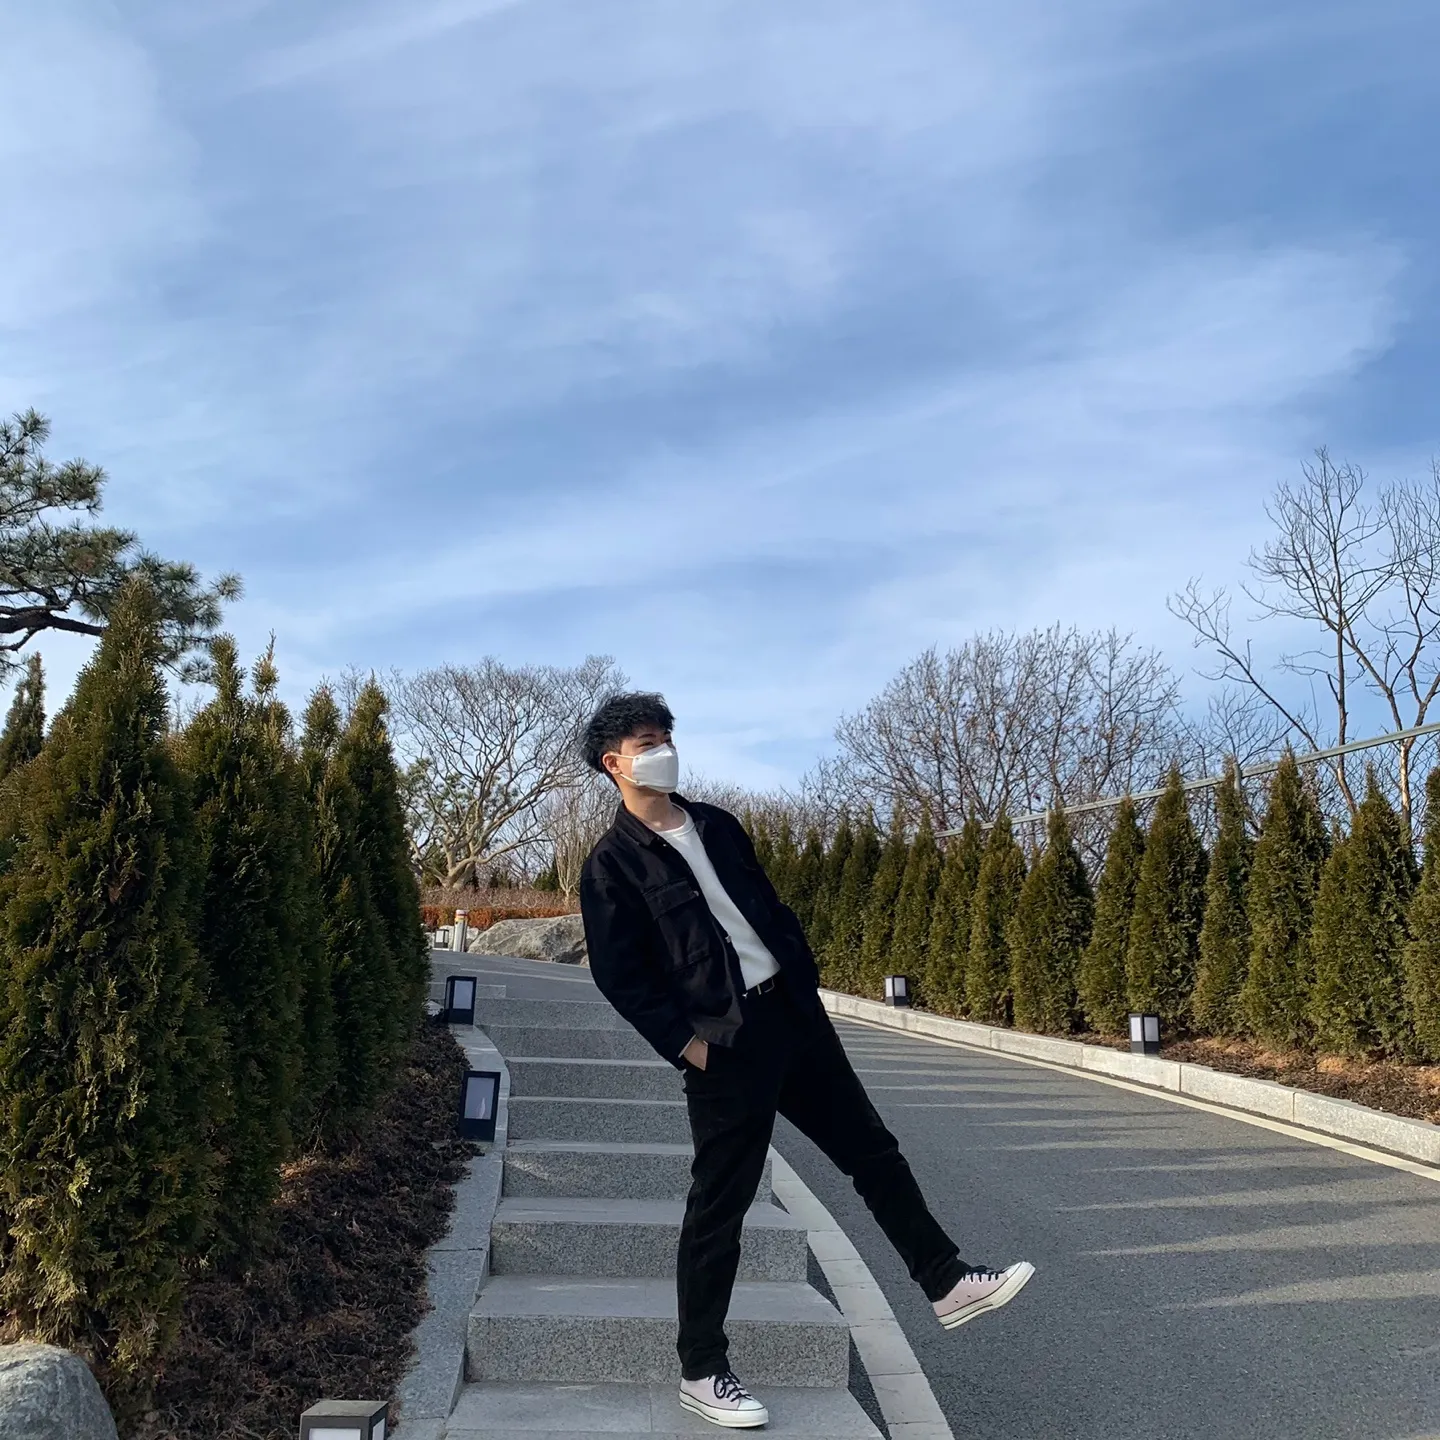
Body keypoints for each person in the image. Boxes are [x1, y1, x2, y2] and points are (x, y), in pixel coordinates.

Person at [578, 692, 1034, 1430]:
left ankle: (946, 1281)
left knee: (873, 1153)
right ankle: (702, 1369)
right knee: (721, 1205)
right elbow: (620, 976)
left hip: (792, 1018)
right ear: (614, 763)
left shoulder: (717, 825)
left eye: (666, 737)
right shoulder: (610, 866)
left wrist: (803, 976)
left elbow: (765, 909)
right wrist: (689, 1046)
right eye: (646, 742)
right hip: (724, 1046)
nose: (663, 751)